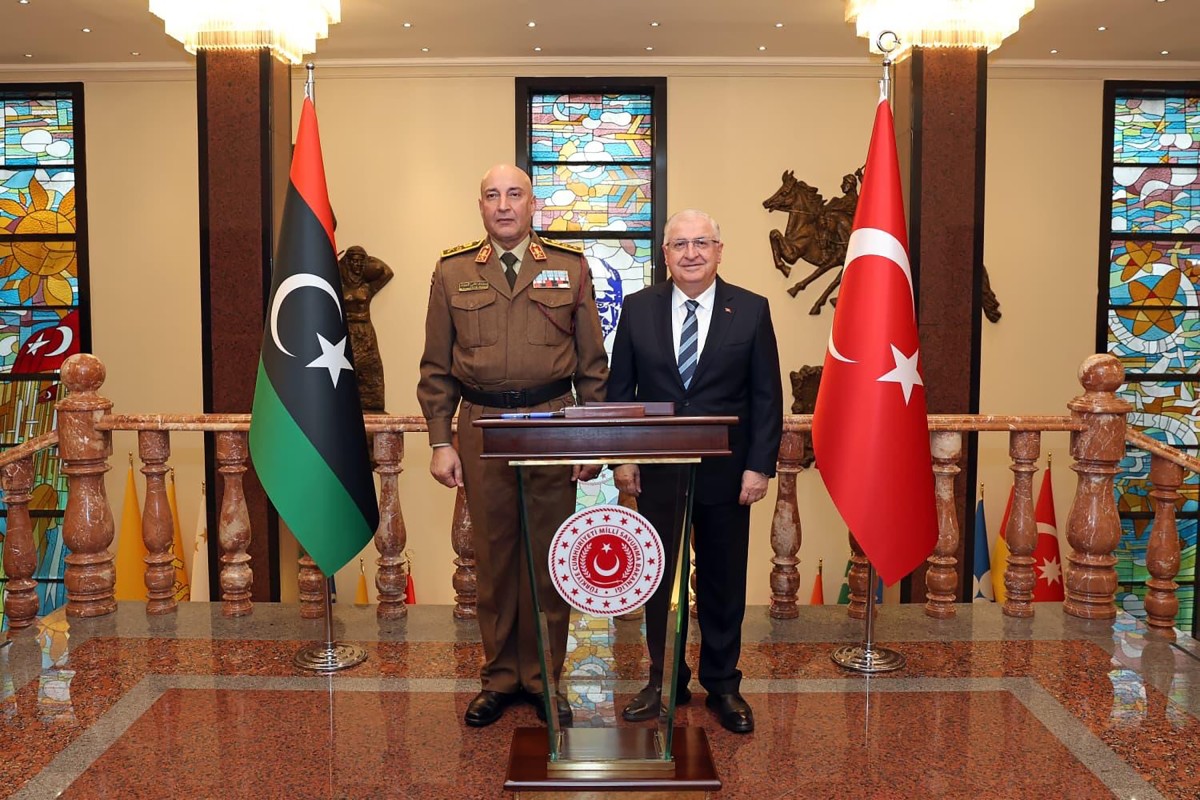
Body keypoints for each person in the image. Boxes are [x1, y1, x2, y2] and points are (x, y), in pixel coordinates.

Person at [417, 164, 609, 728]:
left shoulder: (569, 267)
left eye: (514, 194)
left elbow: (593, 367)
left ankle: (546, 678)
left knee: (550, 559)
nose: (503, 205)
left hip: (552, 423)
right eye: (492, 195)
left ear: (532, 205)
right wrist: (440, 439)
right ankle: (500, 677)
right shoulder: (452, 271)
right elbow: (435, 367)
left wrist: (589, 438)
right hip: (481, 428)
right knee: (495, 559)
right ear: (480, 206)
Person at [608, 209, 782, 734]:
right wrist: (624, 458)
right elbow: (621, 392)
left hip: (728, 473)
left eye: (701, 243)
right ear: (665, 254)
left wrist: (758, 466)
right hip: (658, 470)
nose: (691, 253)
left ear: (719, 251)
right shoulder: (638, 308)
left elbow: (766, 397)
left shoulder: (751, 309)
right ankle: (665, 680)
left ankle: (723, 684)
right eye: (680, 244)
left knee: (723, 580)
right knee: (657, 578)